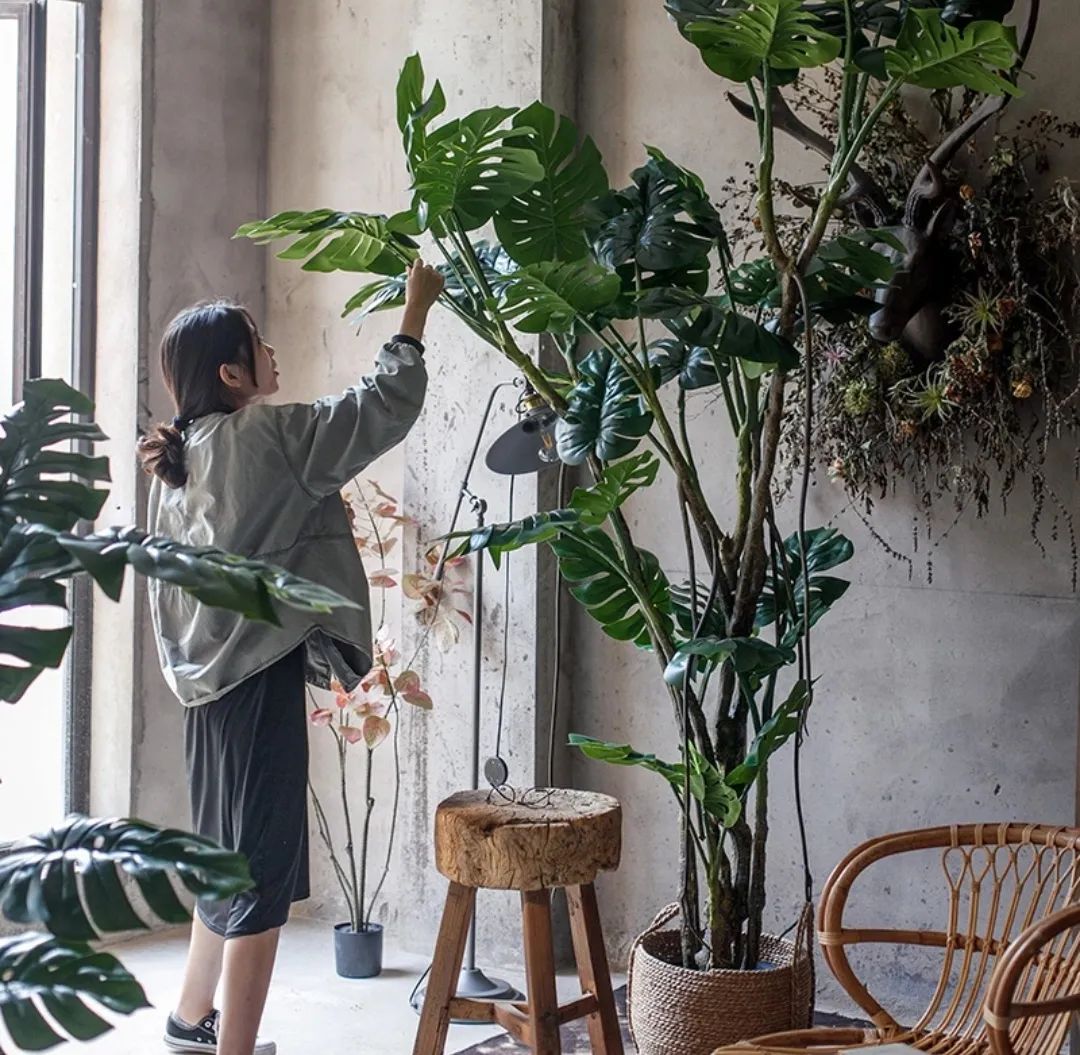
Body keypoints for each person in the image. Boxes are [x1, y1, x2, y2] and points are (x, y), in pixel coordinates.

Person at [138, 259, 444, 1055]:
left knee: (225, 863)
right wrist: (415, 310)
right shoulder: (267, 437)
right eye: (259, 343)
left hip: (204, 695)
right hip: (256, 686)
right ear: (234, 373)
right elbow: (379, 408)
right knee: (265, 879)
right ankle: (236, 1049)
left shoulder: (176, 463)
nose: (273, 349)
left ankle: (189, 1019)